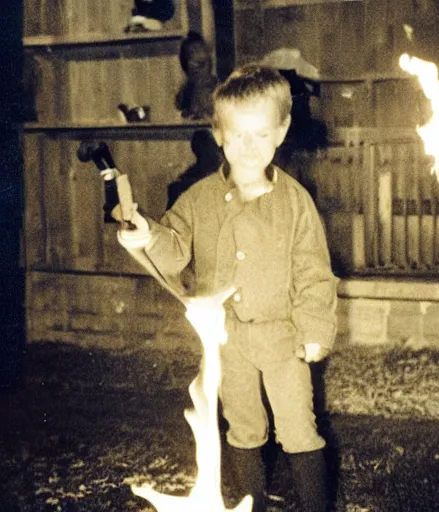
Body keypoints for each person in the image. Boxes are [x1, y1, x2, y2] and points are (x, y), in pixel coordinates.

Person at [116, 65, 338, 512]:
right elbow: (173, 248)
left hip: (283, 338)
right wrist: (144, 233)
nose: (249, 147)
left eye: (260, 135)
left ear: (281, 131)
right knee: (242, 427)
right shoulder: (197, 199)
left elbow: (314, 270)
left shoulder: (296, 202)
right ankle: (249, 505)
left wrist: (314, 330)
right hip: (227, 340)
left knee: (297, 426)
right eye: (237, 135)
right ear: (219, 135)